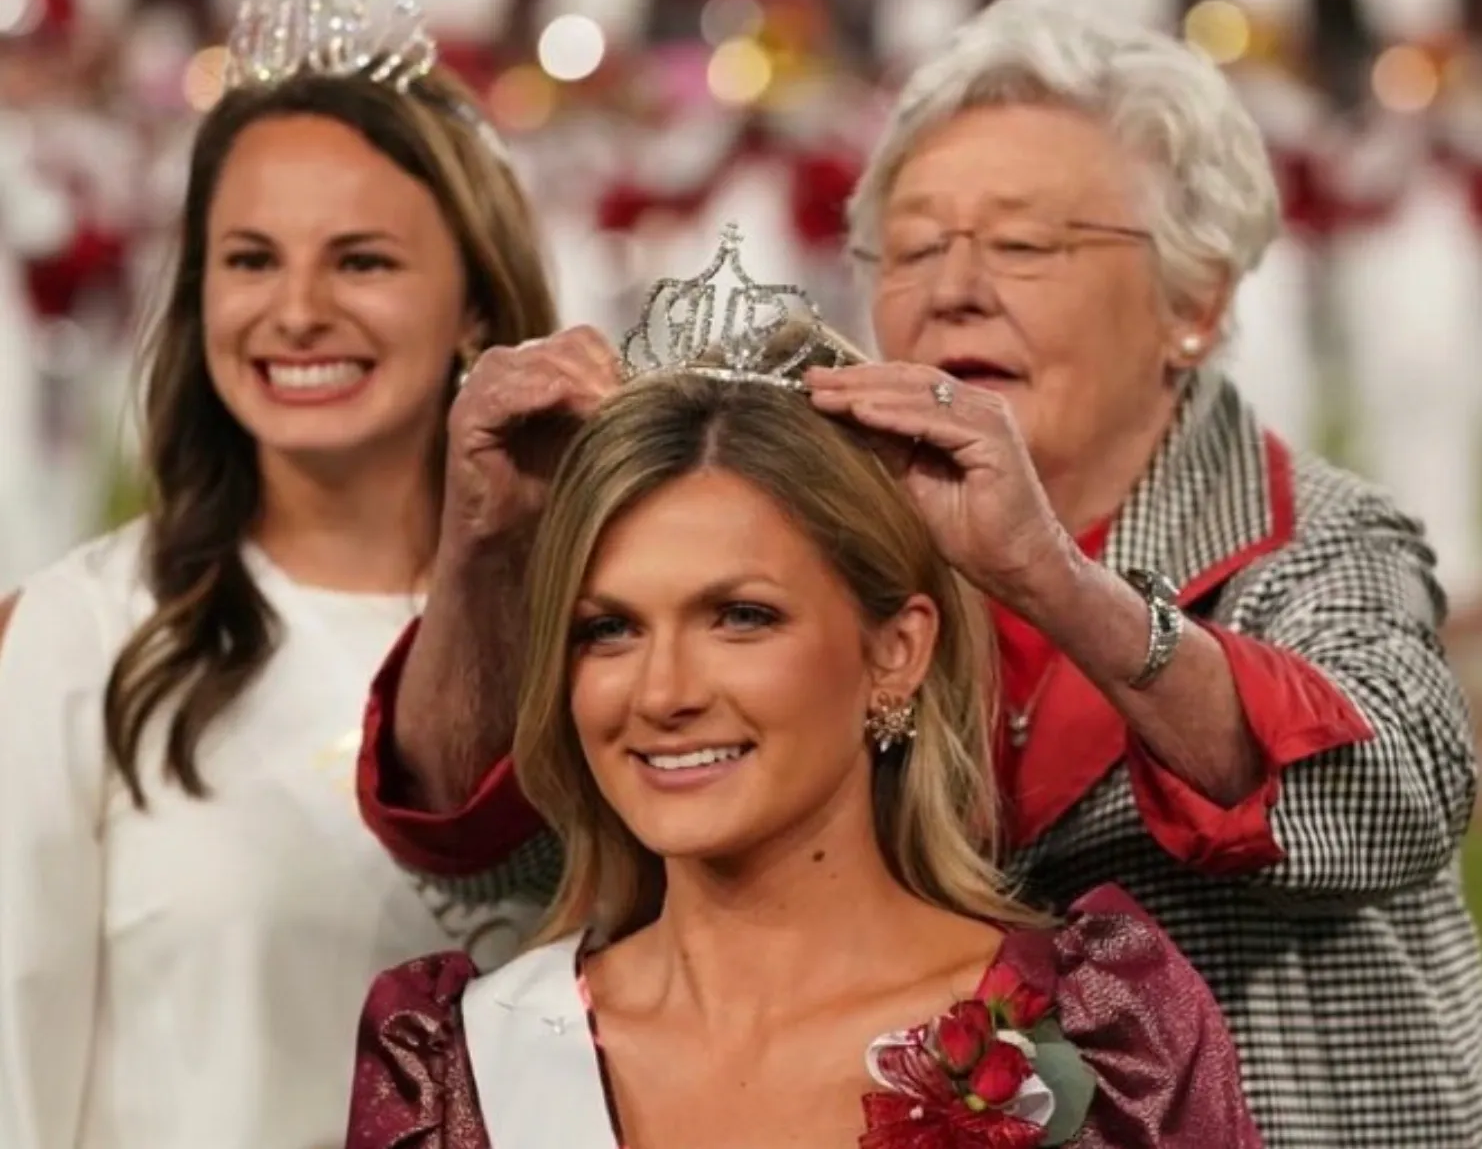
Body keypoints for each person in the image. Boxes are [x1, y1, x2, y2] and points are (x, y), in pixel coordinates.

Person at [356, 0, 1482, 1146]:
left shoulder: (1315, 540)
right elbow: (491, 844)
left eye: (1024, 245)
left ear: (1194, 305)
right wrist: (484, 543)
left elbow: (1395, 800)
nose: (953, 287)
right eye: (914, 245)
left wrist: (1049, 578)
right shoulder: (809, 538)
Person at [346, 277, 1263, 1147]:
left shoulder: (1105, 1037)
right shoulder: (457, 1064)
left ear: (895, 653)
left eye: (741, 617)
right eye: (609, 629)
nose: (664, 693)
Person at [0, 0, 556, 1149]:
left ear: (471, 298)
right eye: (249, 259)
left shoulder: (591, 630)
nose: (297, 310)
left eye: (361, 260)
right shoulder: (86, 634)